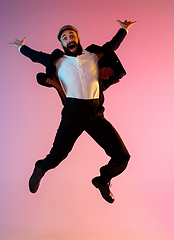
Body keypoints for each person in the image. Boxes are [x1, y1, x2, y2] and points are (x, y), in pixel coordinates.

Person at [9, 20, 136, 203]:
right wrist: (21, 47)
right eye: (65, 38)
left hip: (95, 114)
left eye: (71, 35)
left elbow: (111, 46)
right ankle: (40, 169)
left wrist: (124, 29)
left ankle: (103, 180)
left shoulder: (92, 56)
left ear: (78, 38)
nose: (69, 39)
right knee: (55, 158)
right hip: (72, 114)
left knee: (122, 156)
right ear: (61, 44)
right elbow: (36, 56)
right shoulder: (58, 60)